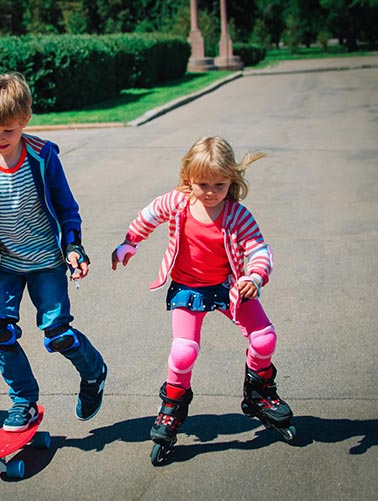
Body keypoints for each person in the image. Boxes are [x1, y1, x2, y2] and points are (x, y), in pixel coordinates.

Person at [0, 72, 107, 432]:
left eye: (8, 130)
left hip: (47, 262)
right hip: (4, 265)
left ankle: (94, 372)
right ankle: (24, 401)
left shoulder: (42, 157)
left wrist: (74, 246)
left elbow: (67, 209)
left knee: (58, 333)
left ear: (25, 120)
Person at [111, 136, 293, 447]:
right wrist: (130, 242)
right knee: (183, 352)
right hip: (188, 287)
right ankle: (172, 406)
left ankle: (259, 389)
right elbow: (149, 215)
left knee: (265, 338)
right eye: (202, 184)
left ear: (231, 181)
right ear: (188, 179)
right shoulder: (178, 202)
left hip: (229, 286)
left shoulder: (237, 215)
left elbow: (259, 250)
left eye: (219, 185)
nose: (210, 192)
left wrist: (255, 275)